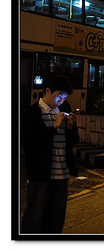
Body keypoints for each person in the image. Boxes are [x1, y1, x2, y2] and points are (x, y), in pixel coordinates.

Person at [21, 76, 80, 233]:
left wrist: (70, 126)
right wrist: (54, 126)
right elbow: (32, 145)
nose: (61, 100)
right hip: (41, 176)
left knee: (56, 219)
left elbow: (74, 141)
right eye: (59, 96)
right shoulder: (32, 113)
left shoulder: (64, 108)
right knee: (35, 217)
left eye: (65, 97)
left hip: (62, 175)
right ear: (48, 91)